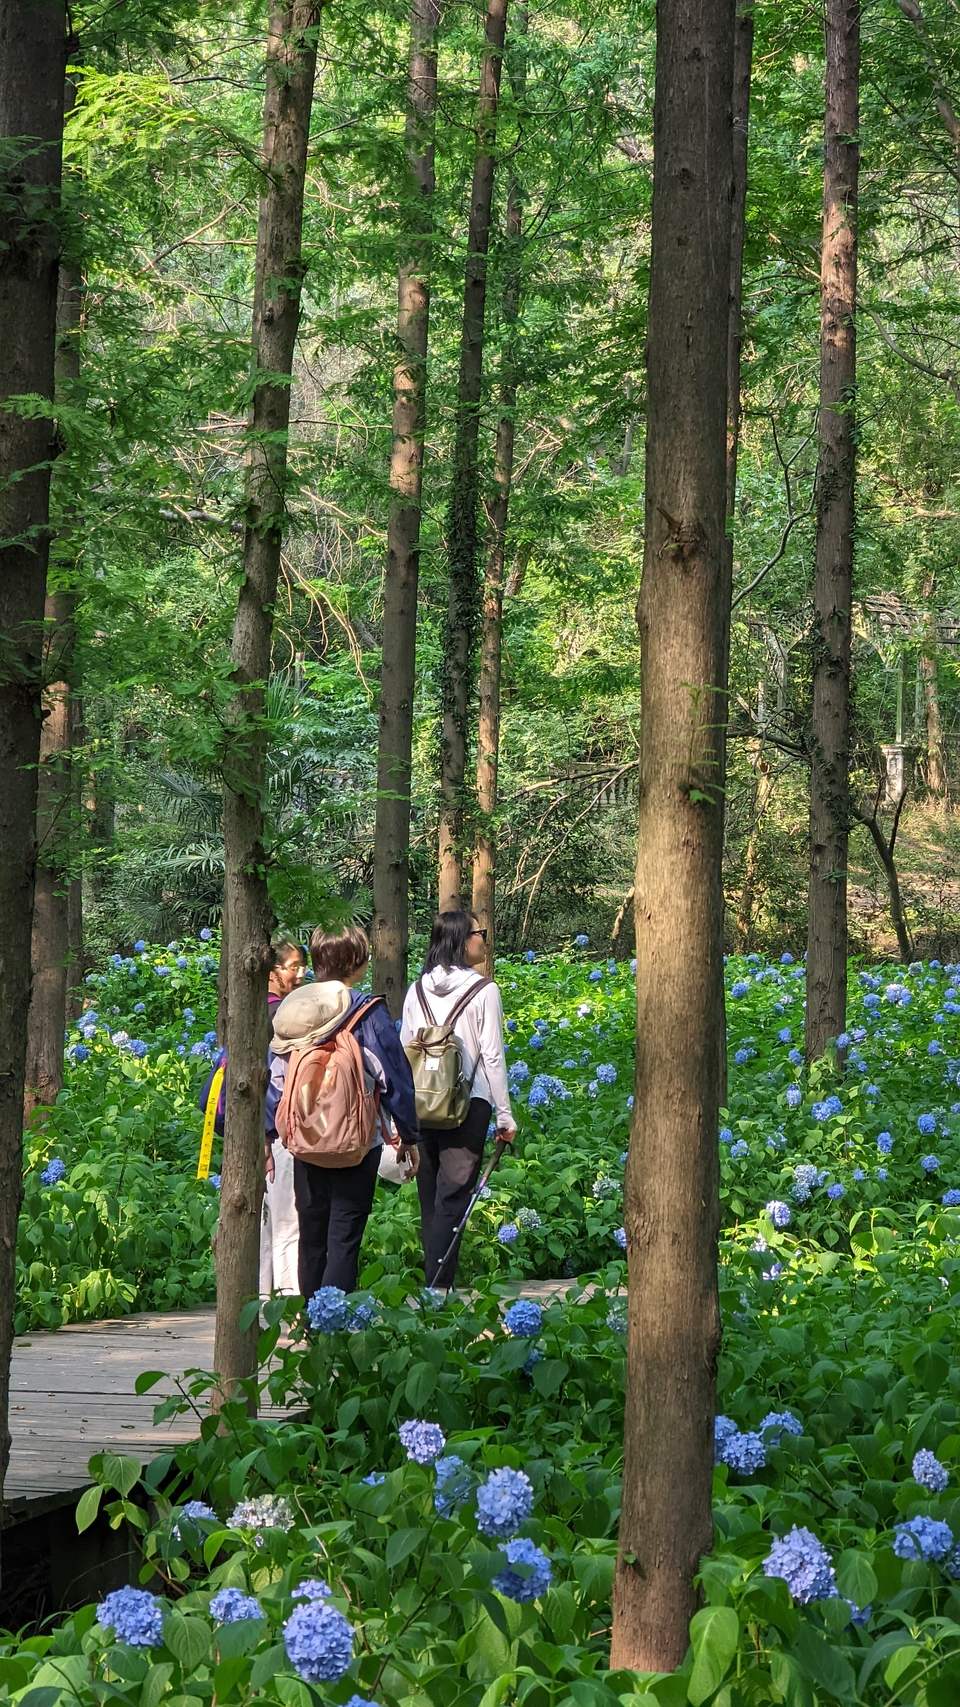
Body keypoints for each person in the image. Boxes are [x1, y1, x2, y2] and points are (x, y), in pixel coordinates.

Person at [266, 923, 418, 1300]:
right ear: (357, 962)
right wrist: (409, 1135)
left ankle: (309, 1322)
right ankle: (333, 1323)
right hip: (357, 1143)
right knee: (345, 1235)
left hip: (304, 1140)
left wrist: (266, 1138)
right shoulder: (367, 1011)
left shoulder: (293, 1010)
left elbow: (275, 1079)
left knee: (312, 1234)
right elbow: (393, 1077)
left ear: (317, 960)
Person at [400, 909, 516, 1288]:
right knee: (454, 1197)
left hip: (422, 1102)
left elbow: (406, 1049)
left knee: (431, 1198)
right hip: (469, 1103)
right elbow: (493, 1056)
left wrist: (400, 1116)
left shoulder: (416, 989)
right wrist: (505, 1116)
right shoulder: (485, 989)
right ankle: (438, 1289)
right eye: (479, 932)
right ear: (462, 940)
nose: (484, 938)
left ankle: (433, 1285)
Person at [259, 937, 309, 1298]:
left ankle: (261, 1301)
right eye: (293, 967)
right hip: (280, 1131)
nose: (301, 974)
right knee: (288, 1222)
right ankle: (290, 1306)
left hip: (259, 1131)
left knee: (265, 1222)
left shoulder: (252, 1010)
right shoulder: (281, 1017)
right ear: (272, 971)